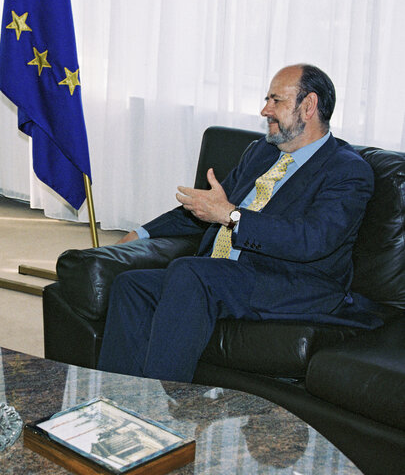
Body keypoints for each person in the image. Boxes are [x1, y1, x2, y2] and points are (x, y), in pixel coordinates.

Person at [97, 64, 382, 384]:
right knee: (131, 285)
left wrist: (233, 216)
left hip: (295, 282)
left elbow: (312, 239)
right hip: (232, 274)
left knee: (190, 272)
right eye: (267, 99)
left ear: (309, 106)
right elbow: (209, 208)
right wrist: (142, 232)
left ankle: (164, 412)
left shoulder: (347, 170)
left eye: (276, 101)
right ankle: (117, 403)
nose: (265, 110)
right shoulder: (261, 151)